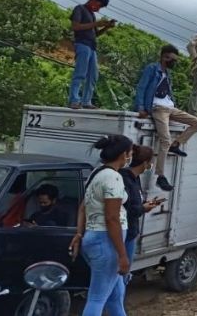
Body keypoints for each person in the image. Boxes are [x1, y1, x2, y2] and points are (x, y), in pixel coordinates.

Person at [69, 135, 132, 316]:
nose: (130, 156)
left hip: (93, 238)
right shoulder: (113, 178)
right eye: (130, 153)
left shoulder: (97, 173)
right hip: (106, 243)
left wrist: (80, 234)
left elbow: (82, 208)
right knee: (97, 298)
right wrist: (122, 254)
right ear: (123, 155)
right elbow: (112, 218)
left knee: (115, 295)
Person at [134, 44, 197, 191]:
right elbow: (141, 87)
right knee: (165, 140)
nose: (174, 63)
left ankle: (176, 145)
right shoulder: (152, 69)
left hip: (170, 108)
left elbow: (167, 92)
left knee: (196, 123)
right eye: (172, 60)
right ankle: (160, 176)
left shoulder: (167, 74)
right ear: (164, 57)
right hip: (158, 109)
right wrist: (140, 107)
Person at [68, 0, 116, 109]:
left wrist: (106, 27)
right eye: (99, 6)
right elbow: (76, 26)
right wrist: (96, 24)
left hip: (92, 47)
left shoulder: (93, 15)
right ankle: (74, 100)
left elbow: (95, 34)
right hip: (82, 44)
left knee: (93, 75)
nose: (98, 9)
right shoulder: (79, 9)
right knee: (80, 73)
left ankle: (86, 101)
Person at [119, 145, 160, 266]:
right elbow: (126, 209)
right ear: (145, 163)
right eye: (150, 163)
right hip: (124, 233)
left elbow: (136, 202)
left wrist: (146, 205)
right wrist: (143, 208)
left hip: (131, 232)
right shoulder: (125, 179)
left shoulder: (135, 178)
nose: (151, 166)